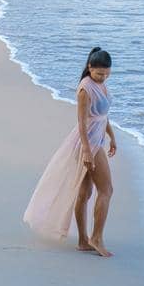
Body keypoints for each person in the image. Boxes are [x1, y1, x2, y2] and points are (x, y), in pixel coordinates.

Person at [23, 48, 117, 256]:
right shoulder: (85, 89)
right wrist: (86, 150)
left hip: (98, 139)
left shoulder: (101, 85)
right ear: (90, 68)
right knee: (106, 190)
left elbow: (103, 116)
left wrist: (112, 136)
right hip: (88, 144)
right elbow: (82, 122)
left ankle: (84, 240)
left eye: (107, 74)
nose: (103, 77)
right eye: (99, 74)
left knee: (86, 192)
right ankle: (96, 238)